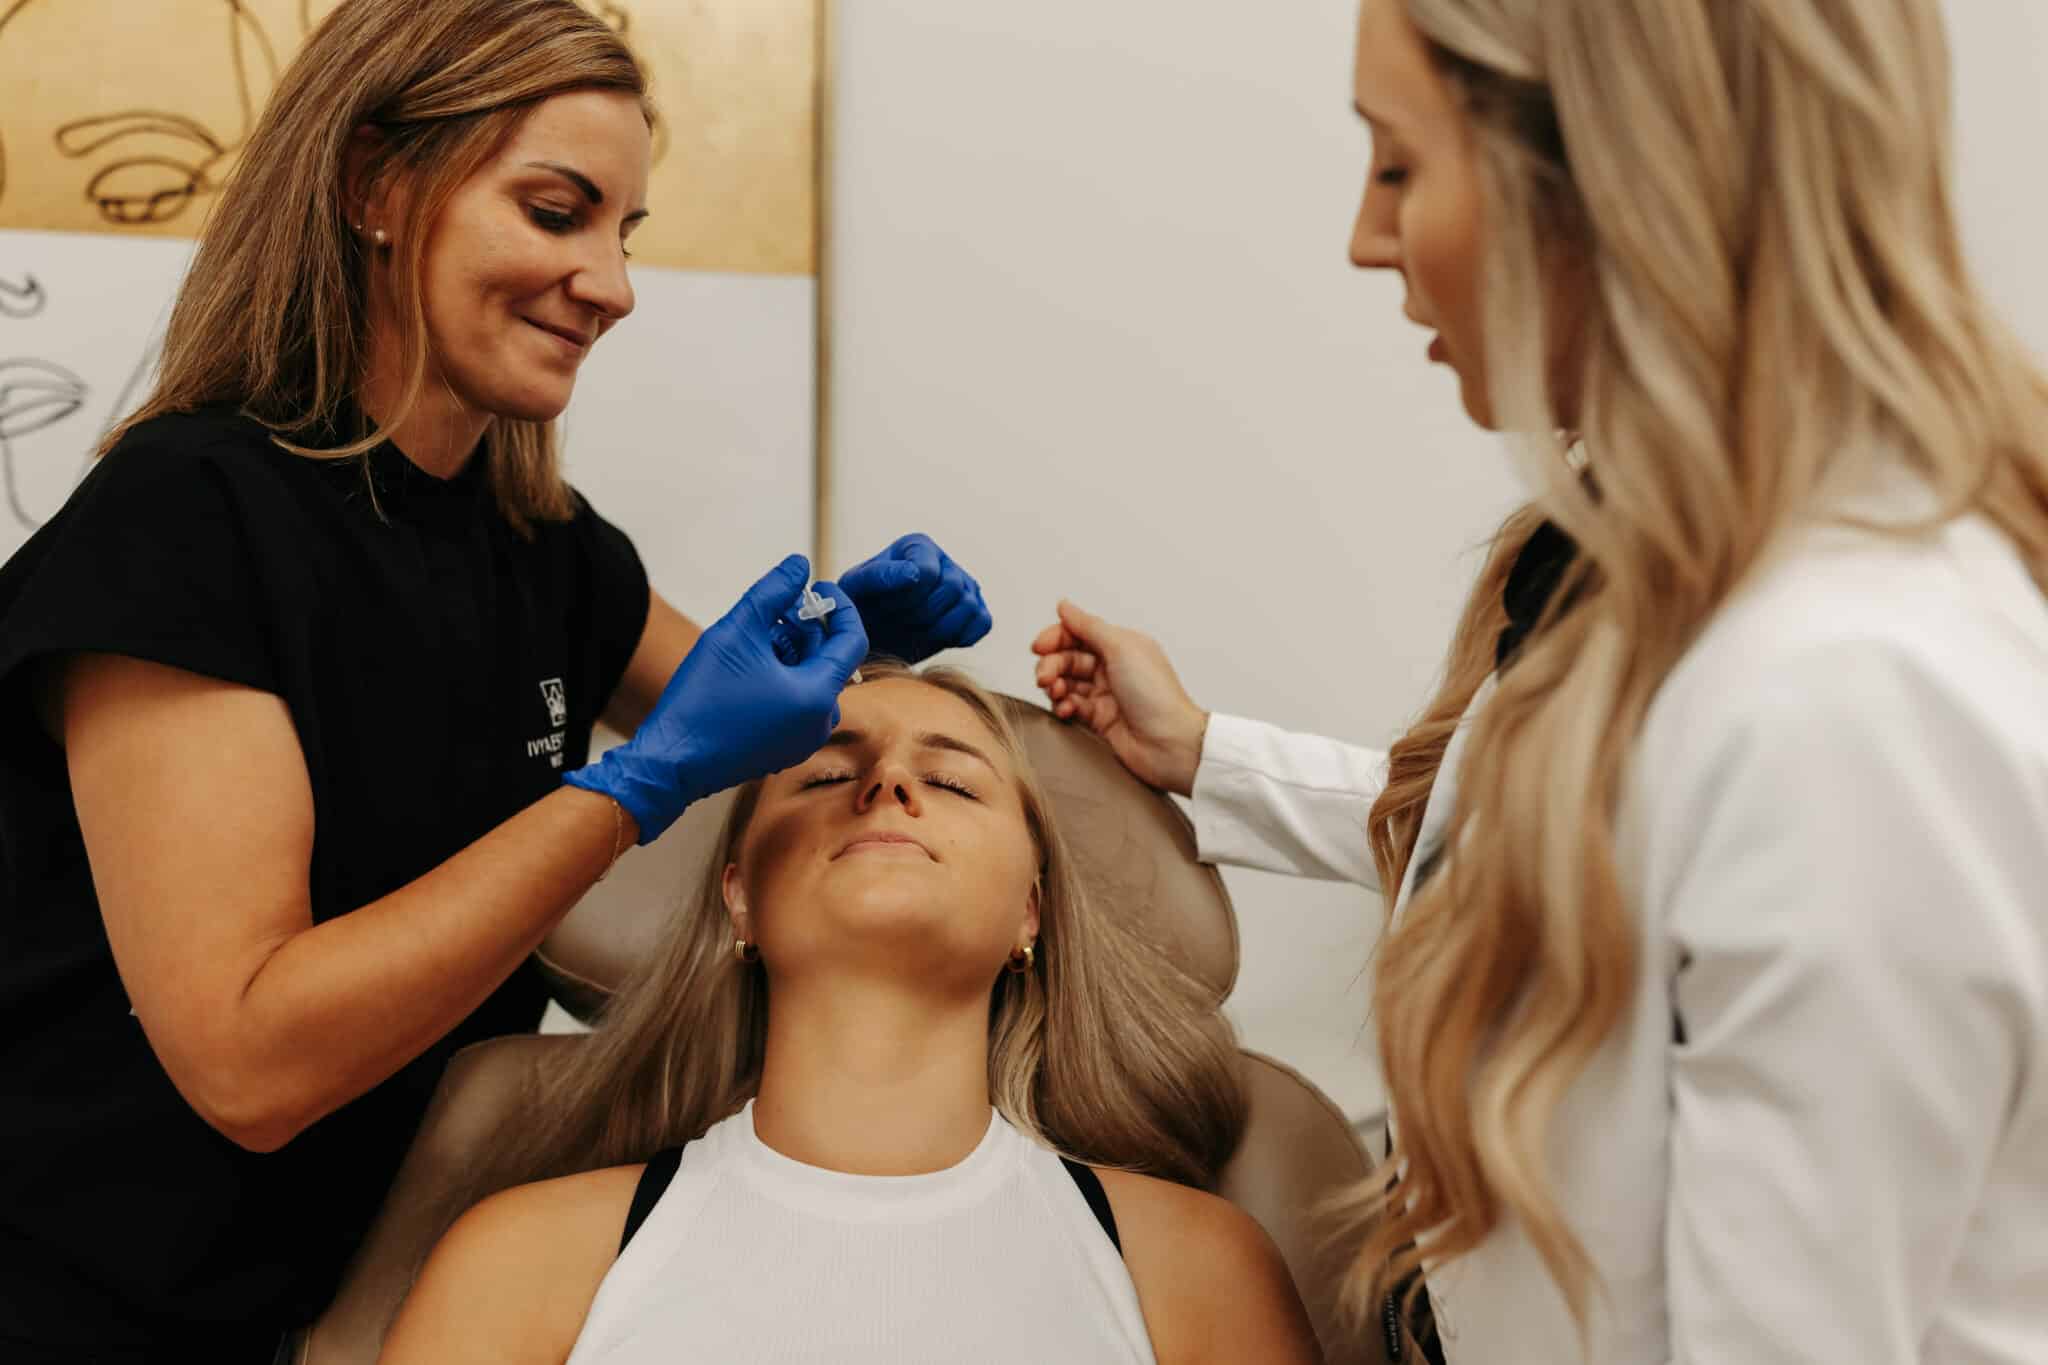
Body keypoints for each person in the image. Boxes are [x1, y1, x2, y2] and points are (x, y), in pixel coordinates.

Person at [1034, 1, 2048, 1361]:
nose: (1365, 236)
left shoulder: (1849, 701)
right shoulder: (1674, 576)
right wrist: (1209, 752)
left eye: (1397, 164)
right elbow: (1559, 854)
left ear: (1606, 179)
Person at [0, 1, 988, 1358]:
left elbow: (751, 720)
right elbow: (248, 1061)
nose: (613, 283)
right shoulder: (189, 524)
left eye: (624, 232)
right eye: (556, 211)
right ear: (373, 188)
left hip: (353, 1287)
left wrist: (846, 651)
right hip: (84, 1302)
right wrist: (630, 787)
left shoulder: (549, 549)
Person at [374, 661, 1322, 1364]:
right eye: (826, 775)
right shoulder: (521, 1260)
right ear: (738, 897)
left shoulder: (1198, 1268)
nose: (889, 786)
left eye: (951, 782)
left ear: (1029, 913)